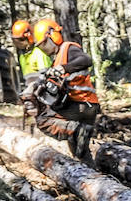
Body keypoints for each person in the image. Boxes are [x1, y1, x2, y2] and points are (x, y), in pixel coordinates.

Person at [27, 18, 100, 161]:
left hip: (82, 104)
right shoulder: (57, 57)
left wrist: (62, 68)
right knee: (80, 153)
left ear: (52, 35)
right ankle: (92, 175)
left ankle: (77, 130)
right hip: (84, 105)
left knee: (43, 119)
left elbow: (86, 60)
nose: (44, 49)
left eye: (44, 45)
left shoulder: (69, 48)